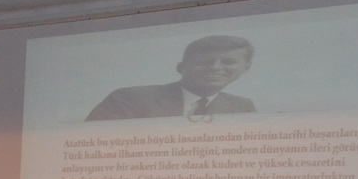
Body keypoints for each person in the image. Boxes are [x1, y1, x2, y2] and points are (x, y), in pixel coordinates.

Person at [85, 35, 256, 121]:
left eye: (228, 62)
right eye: (204, 62)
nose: (215, 67)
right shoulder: (128, 99)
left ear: (246, 68)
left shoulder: (243, 107)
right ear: (181, 67)